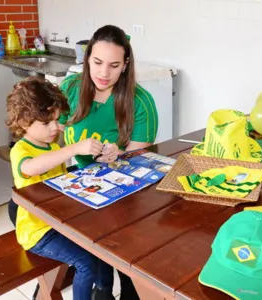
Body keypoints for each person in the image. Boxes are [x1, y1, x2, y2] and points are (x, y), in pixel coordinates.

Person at [58, 24, 159, 300]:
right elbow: (51, 142)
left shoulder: (141, 102)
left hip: (123, 195)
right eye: (98, 62)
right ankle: (101, 287)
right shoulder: (68, 89)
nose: (104, 73)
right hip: (78, 186)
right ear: (87, 58)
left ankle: (119, 288)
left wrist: (118, 158)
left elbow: (139, 167)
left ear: (126, 65)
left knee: (123, 251)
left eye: (114, 65)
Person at [5, 77, 115, 300]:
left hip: (60, 223)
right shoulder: (21, 150)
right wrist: (73, 148)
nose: (55, 127)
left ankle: (104, 293)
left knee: (102, 246)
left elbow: (61, 177)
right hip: (38, 233)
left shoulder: (53, 146)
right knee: (85, 264)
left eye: (56, 120)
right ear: (25, 122)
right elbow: (32, 168)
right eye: (46, 123)